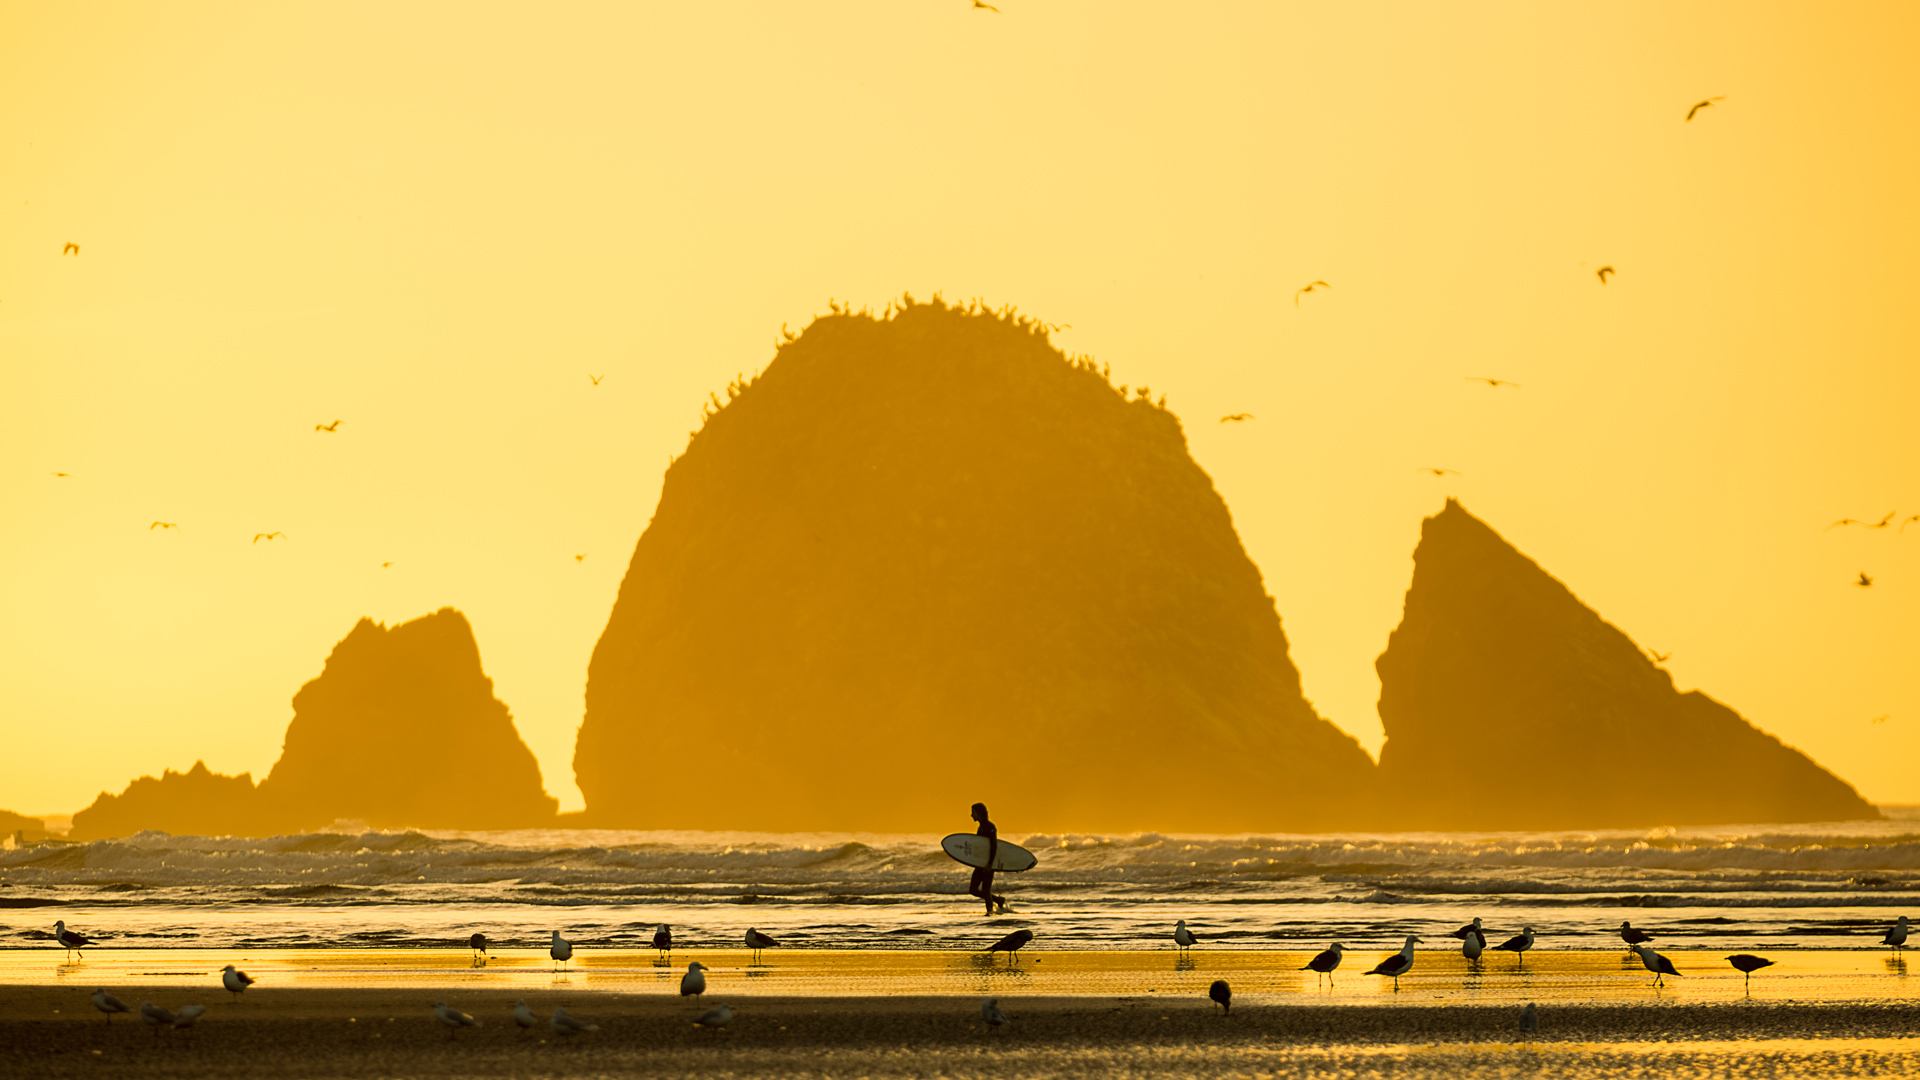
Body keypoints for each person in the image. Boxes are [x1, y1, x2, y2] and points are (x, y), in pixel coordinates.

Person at [967, 802, 1008, 915]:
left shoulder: (990, 827)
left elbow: (993, 846)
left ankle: (989, 912)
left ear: (978, 813)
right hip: (981, 863)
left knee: (986, 890)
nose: (971, 815)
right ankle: (998, 900)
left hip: (988, 863)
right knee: (973, 890)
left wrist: (990, 864)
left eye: (973, 812)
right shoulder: (981, 826)